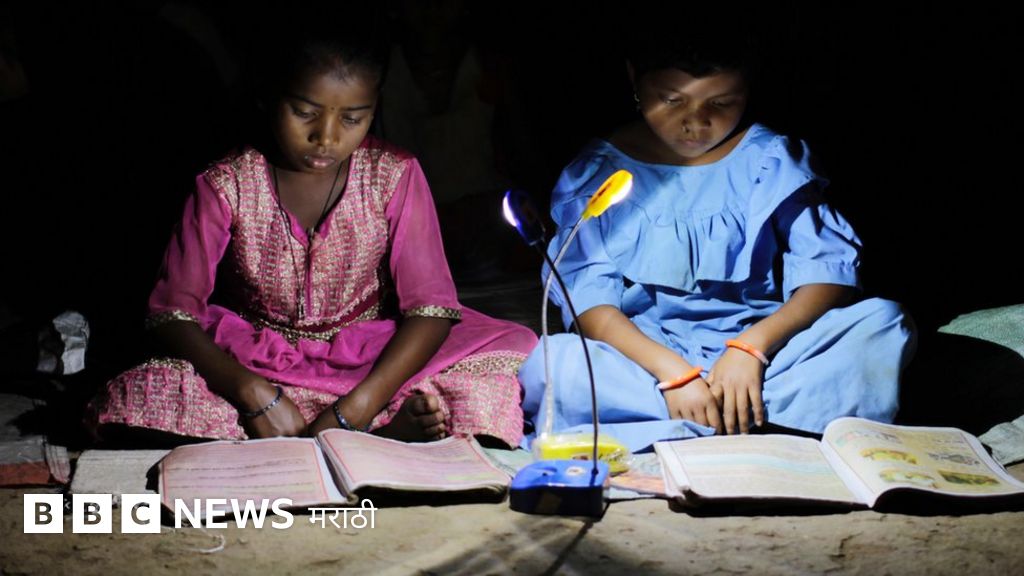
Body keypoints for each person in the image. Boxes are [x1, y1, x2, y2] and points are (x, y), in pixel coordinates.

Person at [86, 16, 537, 448]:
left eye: (352, 118)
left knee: (494, 375)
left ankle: (367, 423)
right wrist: (251, 392)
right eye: (304, 112)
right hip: (256, 361)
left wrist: (357, 406)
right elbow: (171, 314)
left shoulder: (393, 173)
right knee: (145, 393)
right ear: (268, 97)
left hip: (367, 359)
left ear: (374, 109)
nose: (326, 136)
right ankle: (365, 431)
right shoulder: (226, 183)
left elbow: (431, 310)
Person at [517, 17, 916, 452]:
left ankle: (696, 423)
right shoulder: (598, 174)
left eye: (722, 102)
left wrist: (750, 348)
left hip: (764, 359)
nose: (695, 122)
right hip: (648, 363)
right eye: (671, 100)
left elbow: (828, 273)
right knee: (556, 363)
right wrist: (674, 374)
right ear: (635, 78)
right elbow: (590, 305)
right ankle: (750, 422)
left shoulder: (769, 159)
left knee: (882, 323)